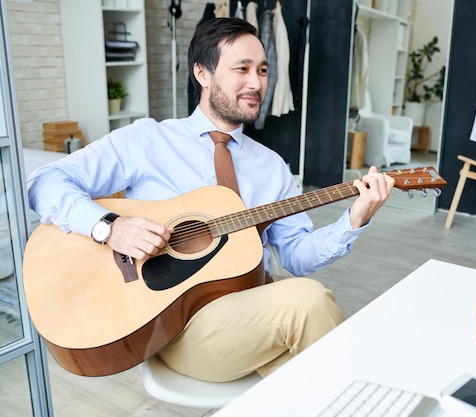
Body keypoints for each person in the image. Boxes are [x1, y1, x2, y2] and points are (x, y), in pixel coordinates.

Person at [27, 17, 394, 382]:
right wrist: (111, 227)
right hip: (176, 324)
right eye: (242, 69)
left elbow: (296, 255)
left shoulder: (272, 167)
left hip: (253, 311)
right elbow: (44, 182)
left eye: (263, 70)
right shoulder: (147, 141)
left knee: (312, 383)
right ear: (202, 73)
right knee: (309, 302)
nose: (257, 83)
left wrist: (354, 219)